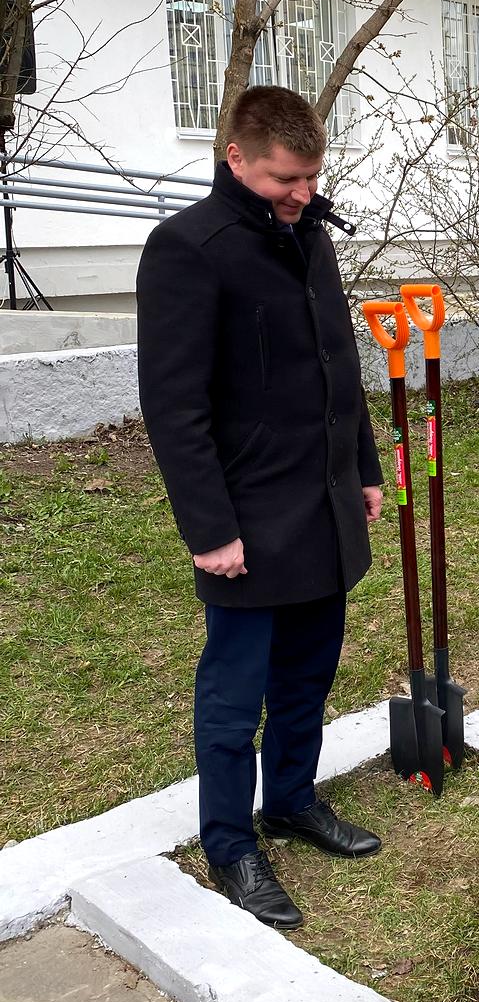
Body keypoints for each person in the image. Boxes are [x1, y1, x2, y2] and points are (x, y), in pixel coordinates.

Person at [137, 86, 385, 930]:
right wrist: (210, 532)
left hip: (322, 508)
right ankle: (230, 843)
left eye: (313, 177)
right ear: (235, 158)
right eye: (287, 178)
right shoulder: (187, 250)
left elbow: (337, 367)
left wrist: (364, 469)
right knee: (234, 697)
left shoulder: (309, 235)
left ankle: (289, 800)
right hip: (246, 520)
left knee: (309, 675)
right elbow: (175, 408)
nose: (304, 194)